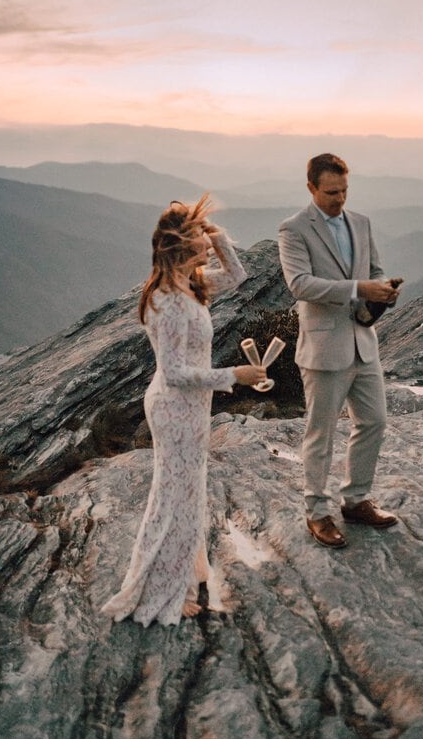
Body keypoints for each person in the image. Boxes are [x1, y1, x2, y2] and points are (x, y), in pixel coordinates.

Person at [101, 196, 266, 625]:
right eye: (197, 234)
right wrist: (234, 375)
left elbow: (238, 274)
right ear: (177, 245)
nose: (205, 241)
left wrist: (217, 236)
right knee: (171, 502)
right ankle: (160, 590)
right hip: (174, 408)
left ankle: (185, 578)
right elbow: (174, 373)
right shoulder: (167, 301)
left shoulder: (190, 285)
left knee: (189, 498)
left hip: (191, 408)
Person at [278, 153, 401, 549]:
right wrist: (358, 288)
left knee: (375, 421)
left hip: (363, 343)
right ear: (311, 187)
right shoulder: (294, 229)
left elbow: (375, 269)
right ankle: (316, 512)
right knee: (321, 434)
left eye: (345, 190)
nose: (339, 199)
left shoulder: (361, 223)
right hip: (323, 347)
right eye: (331, 192)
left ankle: (355, 499)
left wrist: (381, 289)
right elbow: (300, 285)